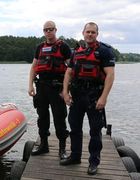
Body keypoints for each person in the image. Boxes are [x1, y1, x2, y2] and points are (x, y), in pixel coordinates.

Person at [60, 22, 115, 175]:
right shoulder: (76, 51)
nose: (90, 34)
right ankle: (75, 157)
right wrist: (65, 92)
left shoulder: (105, 51)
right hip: (77, 95)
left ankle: (93, 162)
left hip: (94, 95)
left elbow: (110, 75)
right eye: (87, 32)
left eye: (93, 32)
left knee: (95, 130)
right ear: (83, 32)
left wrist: (104, 98)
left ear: (97, 34)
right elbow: (68, 73)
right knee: (74, 127)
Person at [28, 21, 71, 160]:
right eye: (46, 30)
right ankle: (43, 145)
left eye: (50, 29)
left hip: (57, 87)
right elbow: (34, 67)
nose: (48, 32)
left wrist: (66, 90)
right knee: (42, 117)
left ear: (55, 30)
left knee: (59, 117)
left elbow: (71, 70)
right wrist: (30, 85)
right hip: (41, 87)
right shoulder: (39, 47)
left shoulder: (63, 47)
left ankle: (62, 149)